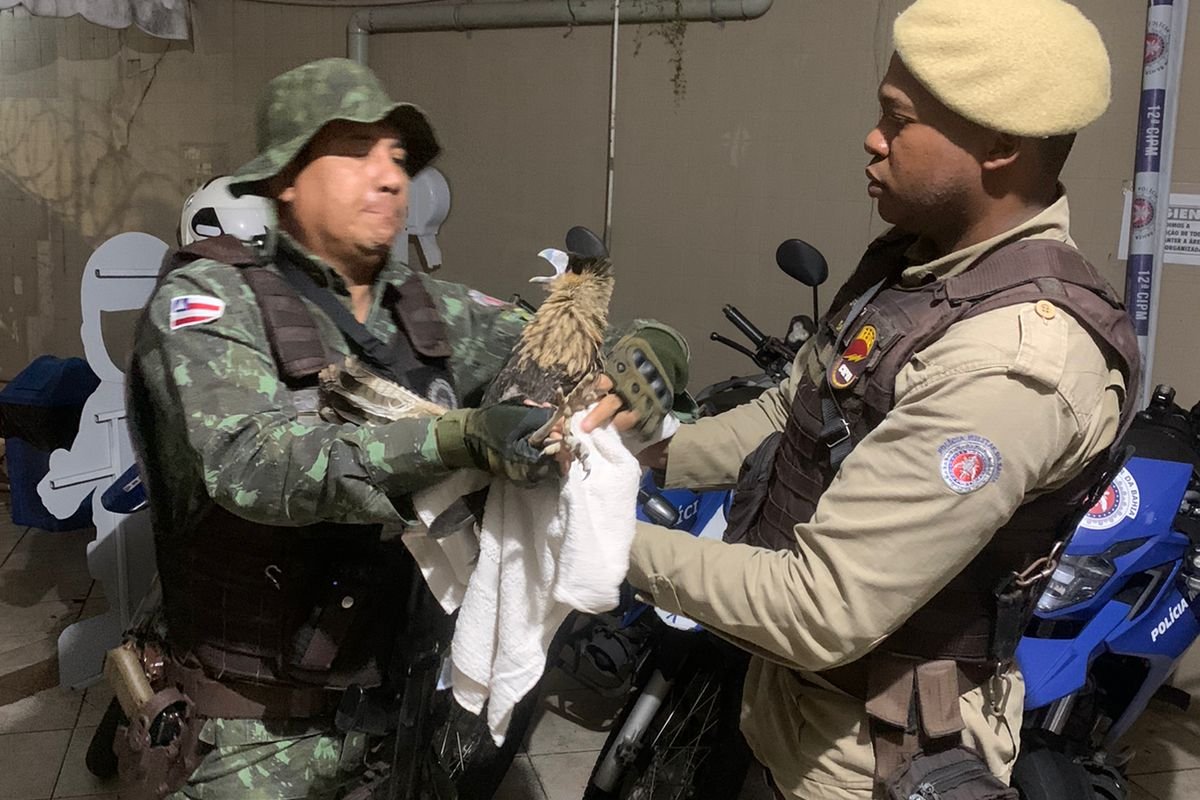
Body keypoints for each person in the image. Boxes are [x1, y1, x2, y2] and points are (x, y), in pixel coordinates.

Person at [594, 1, 1141, 798]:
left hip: (869, 759)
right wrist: (640, 454)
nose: (873, 138)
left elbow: (821, 608)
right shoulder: (920, 265)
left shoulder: (1012, 365)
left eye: (899, 120)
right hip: (783, 710)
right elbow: (794, 415)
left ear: (1000, 147)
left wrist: (593, 534)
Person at [124, 57, 685, 800]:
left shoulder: (431, 309)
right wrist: (453, 439)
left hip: (404, 718)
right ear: (285, 176)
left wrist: (652, 349)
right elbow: (251, 462)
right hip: (252, 739)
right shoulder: (211, 303)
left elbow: (565, 350)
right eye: (357, 151)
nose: (390, 177)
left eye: (397, 158)